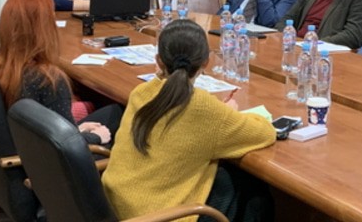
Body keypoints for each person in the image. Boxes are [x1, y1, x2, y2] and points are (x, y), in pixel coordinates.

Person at [102, 19, 276, 221]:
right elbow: (266, 133)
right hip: (159, 216)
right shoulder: (204, 108)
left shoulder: (141, 92)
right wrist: (233, 114)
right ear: (206, 62)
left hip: (116, 207)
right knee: (254, 191)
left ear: (158, 61)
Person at [0, 0, 122, 147]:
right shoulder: (48, 79)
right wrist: (96, 137)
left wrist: (77, 129)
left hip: (26, 148)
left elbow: (55, 130)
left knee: (114, 111)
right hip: (53, 165)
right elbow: (67, 147)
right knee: (125, 117)